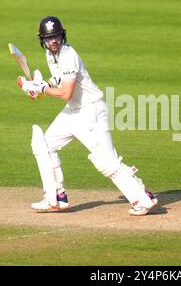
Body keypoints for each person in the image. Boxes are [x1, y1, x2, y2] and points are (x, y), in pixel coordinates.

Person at [17, 16, 158, 216]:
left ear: (62, 35)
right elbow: (59, 83)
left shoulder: (68, 54)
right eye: (49, 38)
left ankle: (143, 199)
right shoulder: (51, 55)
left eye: (56, 36)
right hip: (74, 111)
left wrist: (42, 88)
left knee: (106, 162)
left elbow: (65, 93)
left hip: (91, 111)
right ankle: (55, 197)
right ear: (42, 40)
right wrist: (39, 87)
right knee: (45, 145)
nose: (53, 41)